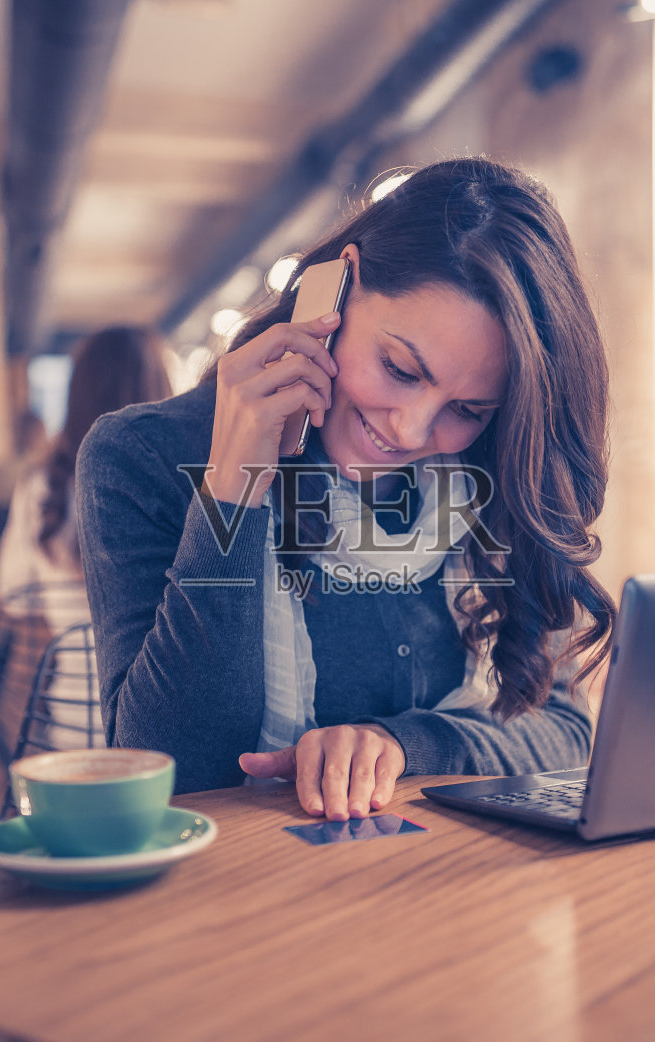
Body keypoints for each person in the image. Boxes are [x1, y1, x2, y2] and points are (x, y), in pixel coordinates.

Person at [75, 158, 617, 819]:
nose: (413, 428)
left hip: (443, 890)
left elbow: (563, 729)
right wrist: (237, 480)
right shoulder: (142, 455)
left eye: (468, 408)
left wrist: (402, 743)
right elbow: (168, 772)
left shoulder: (488, 466)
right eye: (400, 369)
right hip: (229, 900)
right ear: (337, 287)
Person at [0, 326, 172, 750]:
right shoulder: (188, 482)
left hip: (68, 731)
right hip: (163, 736)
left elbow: (12, 593)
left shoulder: (42, 485)